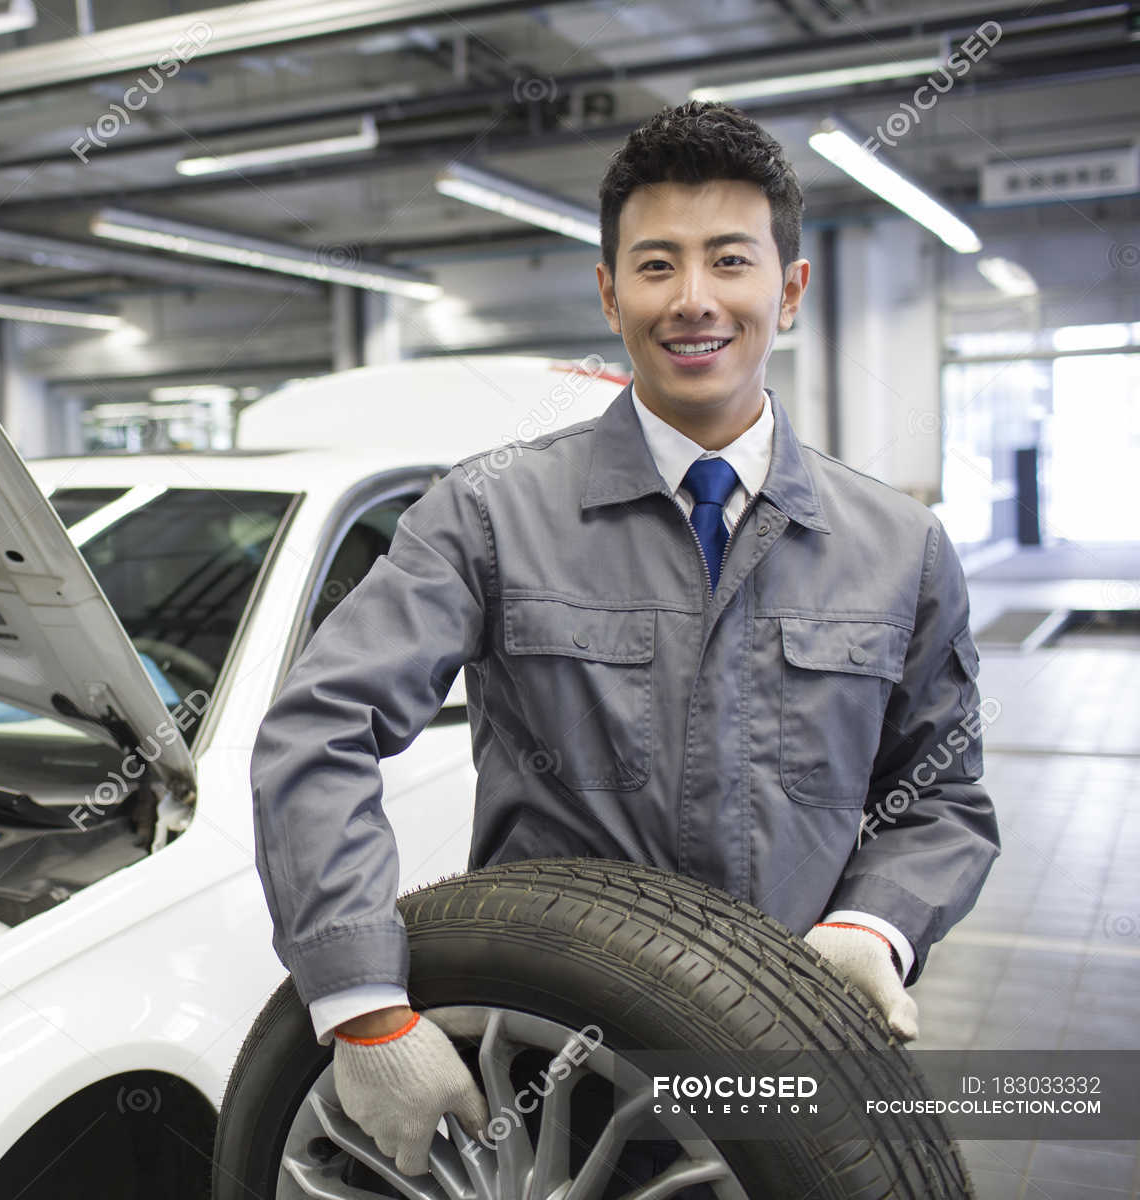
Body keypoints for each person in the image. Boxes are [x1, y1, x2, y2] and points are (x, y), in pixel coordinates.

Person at [248, 99, 1000, 1180]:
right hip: (545, 1088)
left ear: (787, 290)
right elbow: (319, 727)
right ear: (611, 293)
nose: (693, 300)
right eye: (657, 266)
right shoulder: (492, 512)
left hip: (785, 1072)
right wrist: (361, 1004)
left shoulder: (899, 546)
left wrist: (875, 928)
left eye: (730, 261)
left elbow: (942, 798)